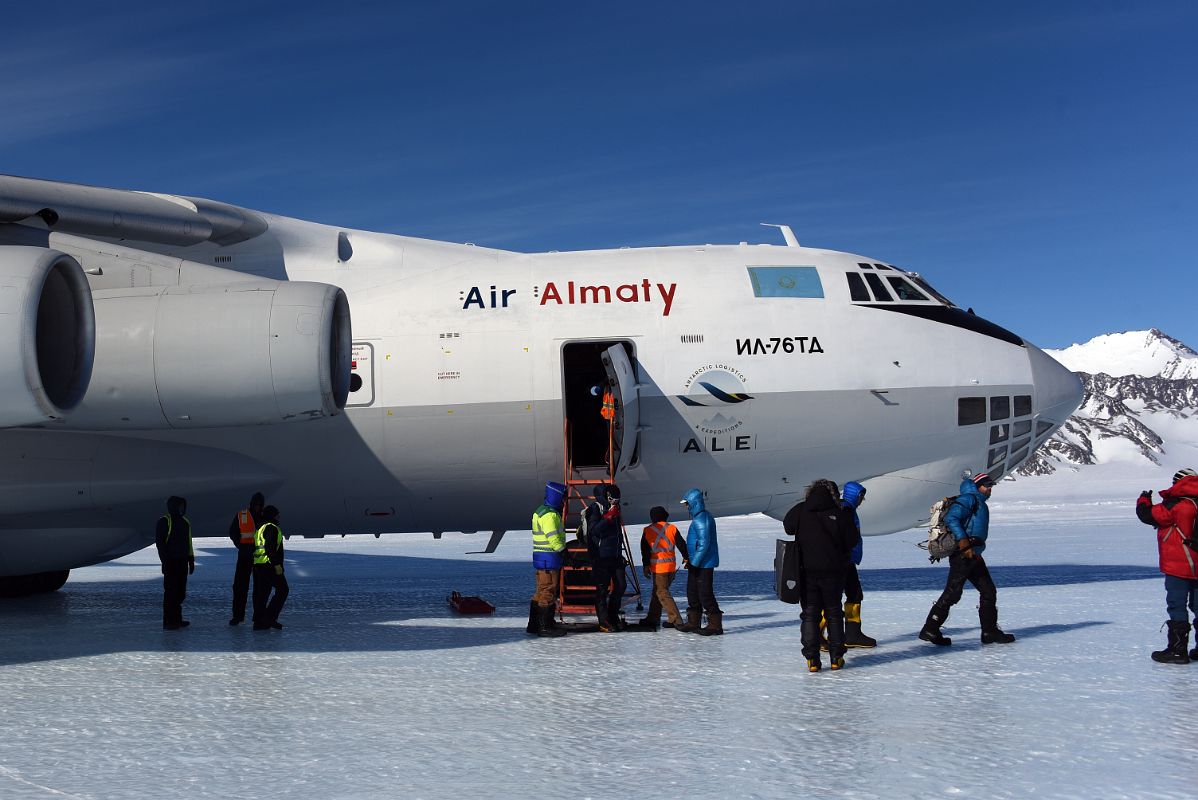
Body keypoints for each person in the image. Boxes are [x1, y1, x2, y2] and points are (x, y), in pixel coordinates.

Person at [918, 472, 1015, 646]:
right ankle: (930, 629)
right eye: (987, 485)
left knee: (988, 591)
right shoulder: (969, 499)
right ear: (977, 486)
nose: (990, 488)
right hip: (964, 555)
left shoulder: (977, 501)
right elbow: (951, 518)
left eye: (991, 484)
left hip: (973, 554)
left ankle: (989, 632)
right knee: (953, 593)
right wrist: (963, 541)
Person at [785, 480, 859, 671]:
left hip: (806, 572)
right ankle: (836, 658)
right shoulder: (839, 514)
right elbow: (852, 540)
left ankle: (812, 659)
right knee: (834, 614)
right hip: (834, 573)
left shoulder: (801, 510)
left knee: (810, 615)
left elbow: (788, 527)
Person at [1135, 467, 1198, 664]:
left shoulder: (1176, 505)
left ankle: (1178, 650)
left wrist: (1143, 500)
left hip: (1179, 564)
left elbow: (1148, 515)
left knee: (1177, 605)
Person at [635, 506, 690, 631]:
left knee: (662, 593)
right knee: (657, 592)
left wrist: (645, 566)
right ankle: (653, 618)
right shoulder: (672, 528)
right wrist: (686, 557)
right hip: (671, 567)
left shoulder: (647, 530)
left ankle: (676, 619)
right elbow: (682, 545)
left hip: (659, 568)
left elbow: (645, 551)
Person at [679, 488, 722, 635]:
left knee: (705, 593)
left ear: (694, 503)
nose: (686, 507)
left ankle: (715, 625)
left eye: (687, 504)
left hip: (704, 564)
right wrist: (691, 561)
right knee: (692, 592)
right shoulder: (699, 518)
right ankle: (693, 622)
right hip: (697, 563)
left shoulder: (702, 519)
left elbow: (704, 544)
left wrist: (694, 563)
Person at [528, 481, 568, 638]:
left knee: (540, 592)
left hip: (542, 559)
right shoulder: (550, 515)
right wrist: (563, 551)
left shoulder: (540, 511)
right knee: (548, 592)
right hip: (549, 559)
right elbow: (553, 538)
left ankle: (534, 624)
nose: (564, 501)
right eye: (563, 498)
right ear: (557, 497)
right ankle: (545, 626)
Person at [586, 483, 627, 632]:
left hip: (615, 555)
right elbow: (594, 531)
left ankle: (612, 615)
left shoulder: (616, 508)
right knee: (602, 589)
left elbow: (618, 533)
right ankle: (604, 621)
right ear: (607, 497)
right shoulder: (595, 508)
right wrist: (608, 518)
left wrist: (620, 552)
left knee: (621, 585)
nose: (616, 503)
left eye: (618, 500)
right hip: (601, 556)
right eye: (613, 500)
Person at [840, 481, 877, 648]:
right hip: (843, 561)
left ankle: (852, 634)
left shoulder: (846, 509)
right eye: (862, 497)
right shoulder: (846, 511)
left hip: (845, 560)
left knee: (853, 594)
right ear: (855, 495)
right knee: (850, 595)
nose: (863, 500)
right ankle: (850, 634)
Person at [155, 496, 195, 630]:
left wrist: (191, 559)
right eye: (180, 506)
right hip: (171, 562)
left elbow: (188, 542)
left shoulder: (185, 522)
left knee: (180, 593)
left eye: (183, 506)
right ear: (173, 506)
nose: (182, 509)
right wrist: (165, 562)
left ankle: (177, 619)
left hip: (182, 562)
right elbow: (160, 544)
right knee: (170, 593)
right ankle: (169, 621)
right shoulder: (164, 522)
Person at [228, 492, 265, 626]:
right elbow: (233, 532)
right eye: (255, 504)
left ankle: (258, 617)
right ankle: (238, 616)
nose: (257, 507)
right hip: (245, 555)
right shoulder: (243, 515)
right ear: (251, 504)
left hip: (259, 557)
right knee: (240, 587)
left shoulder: (264, 516)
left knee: (260, 588)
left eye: (259, 505)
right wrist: (240, 545)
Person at [252, 505, 289, 630]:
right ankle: (269, 618)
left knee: (262, 594)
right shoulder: (271, 528)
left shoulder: (260, 527)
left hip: (259, 565)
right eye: (277, 514)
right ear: (272, 515)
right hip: (269, 565)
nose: (279, 516)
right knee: (283, 590)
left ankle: (259, 621)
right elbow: (270, 549)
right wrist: (277, 565)